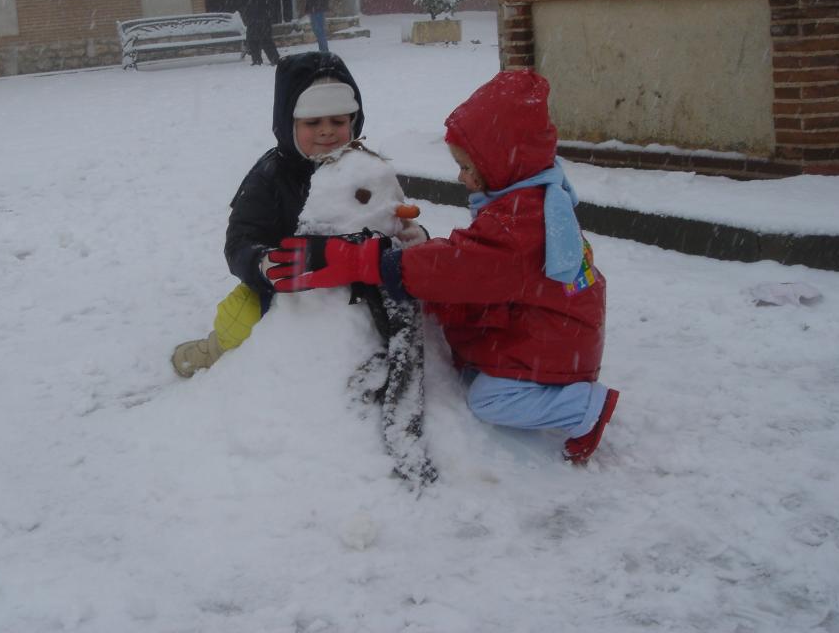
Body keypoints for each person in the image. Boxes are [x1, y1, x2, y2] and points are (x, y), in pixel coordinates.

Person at [265, 70, 618, 464]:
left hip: (552, 340)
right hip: (552, 325)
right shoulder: (529, 199)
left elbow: (461, 267)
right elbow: (478, 261)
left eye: (468, 167)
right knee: (462, 334)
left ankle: (583, 407)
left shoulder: (518, 227)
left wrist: (366, 261)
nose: (460, 176)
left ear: (503, 163)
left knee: (489, 400)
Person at [172, 52, 361, 377]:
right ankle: (212, 352)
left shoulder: (363, 168)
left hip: (351, 281)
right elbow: (241, 239)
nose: (327, 132)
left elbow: (388, 210)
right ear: (289, 124)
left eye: (338, 121)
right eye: (312, 122)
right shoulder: (270, 177)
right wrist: (262, 262)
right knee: (239, 317)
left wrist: (406, 232)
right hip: (283, 282)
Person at [234, 0, 280, 66]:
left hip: (261, 12)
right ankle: (258, 59)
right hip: (254, 13)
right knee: (253, 37)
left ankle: (274, 59)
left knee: (264, 38)